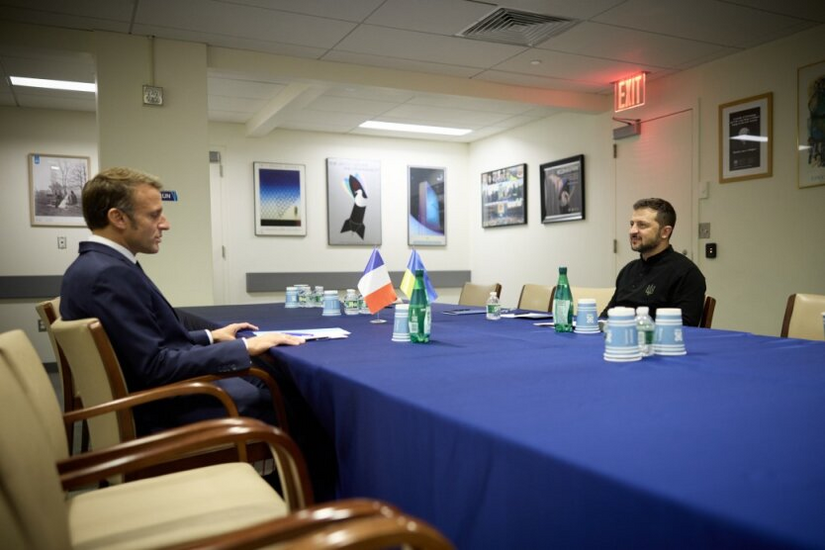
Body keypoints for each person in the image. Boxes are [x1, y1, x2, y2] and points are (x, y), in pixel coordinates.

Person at [602, 198, 706, 326]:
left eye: (642, 225)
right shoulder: (628, 270)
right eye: (632, 224)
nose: (632, 231)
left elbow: (685, 328)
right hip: (617, 341)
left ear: (665, 232)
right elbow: (606, 317)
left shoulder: (686, 273)